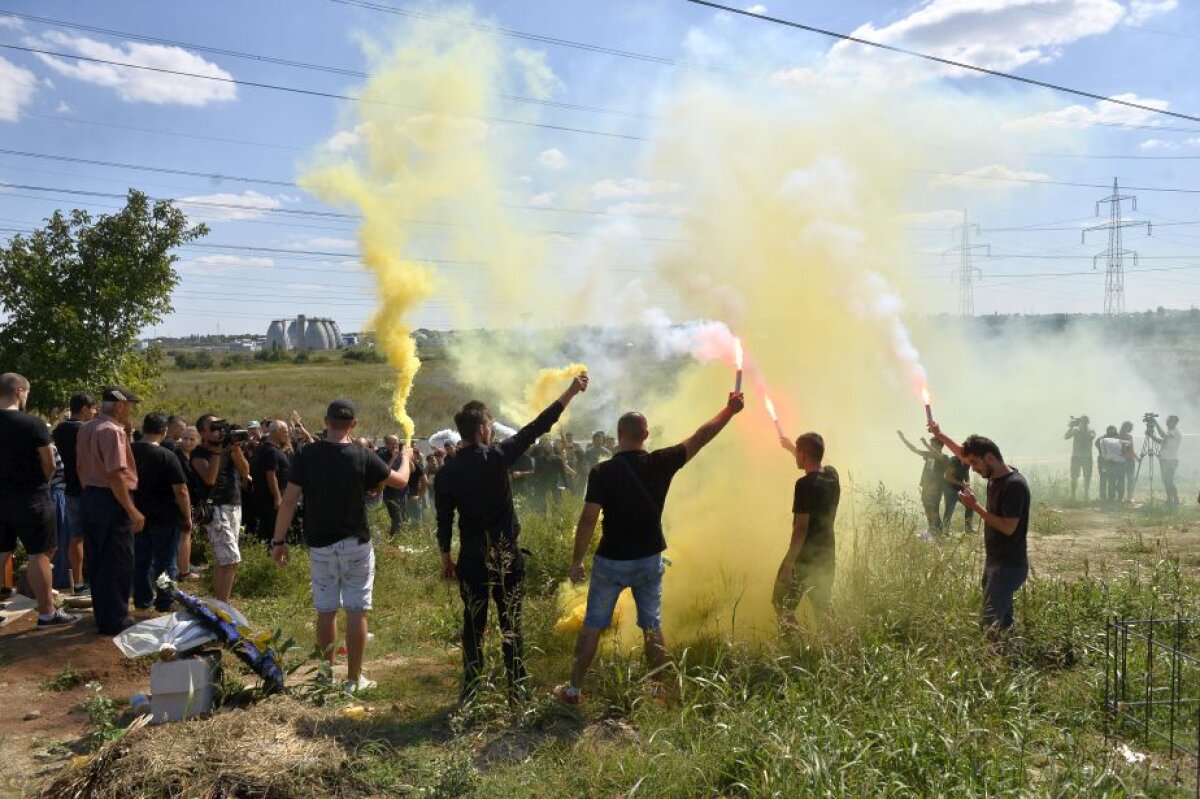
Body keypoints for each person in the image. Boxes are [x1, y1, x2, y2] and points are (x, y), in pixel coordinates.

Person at [556, 390, 743, 705]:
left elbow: (588, 519)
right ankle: (660, 691)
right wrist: (729, 410)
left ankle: (573, 690)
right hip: (648, 559)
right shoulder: (661, 462)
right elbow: (701, 437)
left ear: (618, 435)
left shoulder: (603, 472)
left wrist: (576, 561)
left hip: (611, 560)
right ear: (645, 435)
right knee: (652, 626)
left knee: (592, 625)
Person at [436, 373, 589, 703]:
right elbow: (538, 425)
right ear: (481, 430)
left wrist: (445, 557)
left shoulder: (447, 471)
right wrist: (571, 392)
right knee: (511, 624)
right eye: (489, 425)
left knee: (473, 625)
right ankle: (517, 690)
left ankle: (472, 690)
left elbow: (444, 518)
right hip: (506, 554)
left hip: (472, 558)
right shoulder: (498, 457)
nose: (491, 430)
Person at [272, 399, 410, 694]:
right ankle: (353, 679)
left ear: (326, 421)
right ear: (354, 425)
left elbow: (289, 501)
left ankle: (324, 677)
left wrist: (279, 540)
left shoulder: (307, 454)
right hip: (355, 543)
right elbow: (398, 481)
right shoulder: (362, 454)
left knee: (326, 611)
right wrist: (407, 457)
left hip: (320, 544)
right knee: (357, 610)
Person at [929, 421, 1031, 642]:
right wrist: (940, 435)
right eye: (971, 463)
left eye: (975, 463)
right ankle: (1010, 658)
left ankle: (1002, 663)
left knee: (991, 623)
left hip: (1008, 565)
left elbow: (1008, 527)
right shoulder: (994, 475)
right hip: (997, 562)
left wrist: (975, 507)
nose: (972, 468)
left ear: (990, 458)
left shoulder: (1013, 485)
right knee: (1001, 620)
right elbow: (962, 453)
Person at [0, 373, 77, 626]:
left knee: (1, 552)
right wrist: (42, 483)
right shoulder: (33, 424)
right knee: (40, 553)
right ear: (20, 391)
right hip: (31, 496)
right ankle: (47, 612)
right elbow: (49, 462)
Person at [77, 386, 144, 634]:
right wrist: (132, 509)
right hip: (111, 498)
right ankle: (117, 620)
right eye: (130, 406)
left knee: (97, 559)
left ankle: (104, 615)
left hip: (90, 496)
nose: (130, 411)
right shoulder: (112, 431)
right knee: (118, 561)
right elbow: (115, 475)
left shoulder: (86, 428)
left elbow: (82, 466)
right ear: (119, 405)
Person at [771, 431, 840, 633]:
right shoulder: (832, 475)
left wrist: (789, 563)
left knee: (781, 603)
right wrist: (792, 449)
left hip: (803, 557)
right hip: (826, 553)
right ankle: (836, 648)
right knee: (823, 607)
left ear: (804, 455)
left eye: (799, 453)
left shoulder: (803, 486)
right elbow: (816, 469)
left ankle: (797, 646)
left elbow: (800, 529)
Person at [131, 413, 191, 611]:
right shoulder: (167, 455)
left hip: (136, 514)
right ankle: (165, 600)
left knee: (141, 560)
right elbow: (180, 490)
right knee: (165, 562)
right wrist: (187, 516)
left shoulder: (128, 452)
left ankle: (142, 599)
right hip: (165, 516)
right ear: (164, 432)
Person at [192, 414, 250, 603]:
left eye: (220, 427)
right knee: (230, 558)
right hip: (215, 507)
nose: (218, 431)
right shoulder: (198, 453)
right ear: (202, 432)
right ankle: (223, 605)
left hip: (234, 504)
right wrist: (217, 450)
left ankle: (220, 602)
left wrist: (235, 449)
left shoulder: (227, 449)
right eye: (213, 428)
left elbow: (245, 471)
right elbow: (209, 478)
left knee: (224, 559)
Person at [52, 392, 97, 594]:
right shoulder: (86, 430)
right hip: (88, 488)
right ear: (85, 408)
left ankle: (77, 582)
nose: (95, 412)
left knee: (75, 537)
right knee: (94, 536)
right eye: (93, 408)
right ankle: (96, 578)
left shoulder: (59, 429)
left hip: (68, 488)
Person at [251, 420, 294, 545]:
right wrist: (277, 498)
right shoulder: (270, 451)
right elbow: (271, 475)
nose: (288, 434)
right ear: (275, 433)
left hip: (268, 497)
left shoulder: (266, 447)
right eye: (285, 432)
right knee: (273, 531)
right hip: (270, 499)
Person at [897, 430, 948, 536]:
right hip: (925, 486)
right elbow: (914, 449)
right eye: (930, 444)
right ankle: (932, 530)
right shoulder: (929, 455)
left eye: (932, 444)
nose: (930, 446)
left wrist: (925, 444)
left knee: (933, 508)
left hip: (936, 488)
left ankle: (939, 532)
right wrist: (903, 438)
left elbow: (937, 455)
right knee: (927, 508)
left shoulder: (944, 457)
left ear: (938, 446)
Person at [177, 425, 202, 580]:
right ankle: (184, 570)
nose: (187, 442)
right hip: (179, 500)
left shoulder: (194, 457)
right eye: (185, 438)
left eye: (191, 439)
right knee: (185, 533)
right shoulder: (177, 456)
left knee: (187, 535)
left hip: (191, 499)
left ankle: (184, 564)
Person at [1148, 415, 1183, 507]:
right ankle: (1169, 499)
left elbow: (1162, 435)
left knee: (1169, 481)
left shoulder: (1175, 432)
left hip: (1171, 460)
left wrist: (1155, 423)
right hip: (1165, 459)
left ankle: (1176, 499)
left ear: (1174, 422)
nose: (1167, 423)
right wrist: (1151, 436)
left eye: (1169, 421)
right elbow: (1162, 441)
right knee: (1166, 480)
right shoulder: (1170, 432)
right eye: (1167, 421)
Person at [378, 435, 408, 534]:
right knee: (396, 519)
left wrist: (407, 457)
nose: (396, 445)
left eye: (397, 442)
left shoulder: (402, 454)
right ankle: (394, 541)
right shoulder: (382, 454)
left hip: (402, 493)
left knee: (403, 519)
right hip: (389, 494)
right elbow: (383, 472)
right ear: (386, 444)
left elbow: (411, 469)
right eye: (393, 443)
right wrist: (393, 458)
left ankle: (399, 539)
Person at [941, 451, 975, 534]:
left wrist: (967, 484)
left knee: (970, 505)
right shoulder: (953, 461)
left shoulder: (967, 462)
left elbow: (966, 473)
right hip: (949, 487)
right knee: (949, 509)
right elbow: (948, 476)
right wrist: (961, 484)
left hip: (961, 487)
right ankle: (945, 532)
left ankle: (968, 529)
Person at [1064, 416, 1094, 501]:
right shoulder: (1075, 430)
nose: (1084, 424)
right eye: (1082, 422)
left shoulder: (1090, 430)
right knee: (1074, 477)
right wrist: (1071, 427)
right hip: (1077, 456)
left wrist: (1078, 428)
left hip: (1086, 457)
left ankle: (1086, 495)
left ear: (1087, 423)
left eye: (1085, 422)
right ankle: (1073, 495)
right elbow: (1066, 437)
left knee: (1087, 477)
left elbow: (1092, 436)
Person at [1095, 425, 1125, 503]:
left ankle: (1110, 498)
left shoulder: (1116, 439)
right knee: (1104, 480)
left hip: (1112, 462)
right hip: (1105, 462)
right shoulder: (1104, 439)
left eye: (1112, 430)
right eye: (1110, 431)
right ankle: (1104, 497)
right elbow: (1097, 444)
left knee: (1110, 480)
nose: (1111, 432)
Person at [1118, 421, 1137, 502]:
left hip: (1131, 460)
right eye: (1131, 427)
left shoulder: (1129, 436)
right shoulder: (1119, 437)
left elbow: (1131, 449)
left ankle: (1129, 497)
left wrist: (1136, 457)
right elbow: (1121, 449)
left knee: (1130, 479)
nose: (1132, 429)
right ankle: (1121, 497)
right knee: (1122, 479)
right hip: (1123, 460)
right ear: (1126, 427)